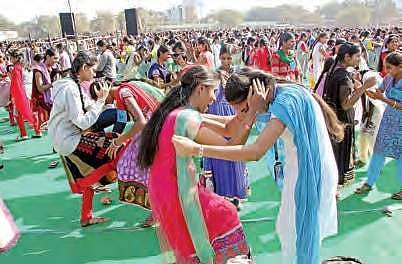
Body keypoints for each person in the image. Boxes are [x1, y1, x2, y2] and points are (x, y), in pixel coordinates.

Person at [172, 67, 343, 264]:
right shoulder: (277, 95)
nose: (243, 114)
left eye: (243, 108)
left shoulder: (286, 102)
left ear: (254, 92)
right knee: (289, 229)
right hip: (300, 169)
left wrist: (197, 149)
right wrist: (196, 117)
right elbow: (232, 123)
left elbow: (255, 152)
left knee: (297, 233)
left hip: (311, 172)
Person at [137, 65, 253, 263]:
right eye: (213, 91)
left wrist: (246, 109)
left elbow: (228, 127)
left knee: (194, 245)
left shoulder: (178, 112)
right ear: (200, 88)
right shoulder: (187, 118)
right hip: (177, 190)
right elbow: (233, 144)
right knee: (227, 213)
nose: (215, 98)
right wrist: (252, 115)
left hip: (163, 189)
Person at [48, 51, 120, 227]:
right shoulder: (71, 89)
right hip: (69, 140)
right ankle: (136, 192)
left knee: (89, 175)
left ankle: (86, 216)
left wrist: (104, 101)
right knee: (115, 147)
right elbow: (81, 122)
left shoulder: (72, 84)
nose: (94, 74)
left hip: (64, 138)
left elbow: (85, 107)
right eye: (92, 70)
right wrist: (102, 100)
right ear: (83, 68)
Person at [323, 43, 377, 186]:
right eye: (357, 56)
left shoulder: (335, 70)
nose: (360, 59)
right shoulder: (343, 76)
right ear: (347, 57)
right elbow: (346, 104)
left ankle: (333, 185)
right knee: (340, 156)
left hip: (333, 119)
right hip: (342, 121)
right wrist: (364, 87)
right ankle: (335, 187)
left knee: (334, 154)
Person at [203, 44, 248, 209]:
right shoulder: (214, 74)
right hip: (218, 114)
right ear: (219, 58)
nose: (226, 61)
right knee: (220, 156)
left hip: (234, 114)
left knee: (235, 155)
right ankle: (221, 195)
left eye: (229, 58)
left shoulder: (238, 74)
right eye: (223, 58)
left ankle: (236, 195)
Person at [355, 52, 401, 199]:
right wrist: (370, 92)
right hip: (388, 121)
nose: (386, 71)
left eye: (389, 68)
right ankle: (369, 182)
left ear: (400, 67)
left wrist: (385, 100)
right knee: (378, 150)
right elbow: (379, 92)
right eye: (385, 67)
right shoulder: (388, 78)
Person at [9, 49, 41, 141]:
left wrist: (14, 97)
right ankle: (38, 131)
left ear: (16, 58)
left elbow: (16, 84)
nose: (10, 59)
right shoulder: (28, 66)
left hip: (22, 92)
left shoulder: (16, 68)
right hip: (30, 92)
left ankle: (24, 134)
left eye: (11, 57)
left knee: (18, 113)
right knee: (32, 111)